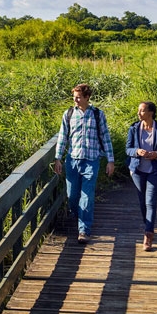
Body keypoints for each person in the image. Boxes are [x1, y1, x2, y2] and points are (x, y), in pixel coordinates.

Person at [54, 83, 115, 244]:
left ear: (87, 97)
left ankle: (84, 230)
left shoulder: (97, 114)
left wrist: (110, 161)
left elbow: (106, 137)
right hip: (72, 160)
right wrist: (58, 158)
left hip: (91, 161)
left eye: (78, 97)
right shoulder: (68, 114)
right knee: (72, 197)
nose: (75, 100)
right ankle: (80, 216)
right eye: (74, 97)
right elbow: (62, 137)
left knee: (87, 196)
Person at [125, 101, 157, 251]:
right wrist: (137, 152)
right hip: (138, 170)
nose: (139, 113)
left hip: (156, 170)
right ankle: (149, 225)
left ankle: (148, 235)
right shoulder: (133, 128)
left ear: (151, 113)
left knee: (151, 201)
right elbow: (128, 149)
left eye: (142, 110)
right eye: (138, 110)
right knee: (142, 202)